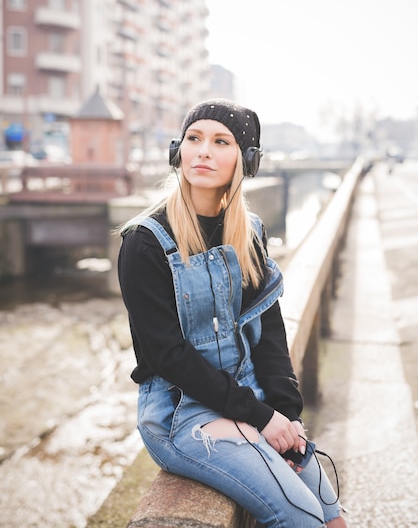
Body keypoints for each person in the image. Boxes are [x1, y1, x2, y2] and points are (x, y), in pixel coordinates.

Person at [118, 99, 347, 528]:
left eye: (221, 141)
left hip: (249, 398)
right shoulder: (145, 243)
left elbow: (270, 332)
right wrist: (261, 417)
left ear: (246, 160)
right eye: (194, 139)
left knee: (332, 518)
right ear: (177, 151)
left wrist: (286, 415)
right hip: (181, 414)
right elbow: (167, 355)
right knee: (303, 521)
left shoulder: (250, 231)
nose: (203, 151)